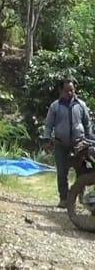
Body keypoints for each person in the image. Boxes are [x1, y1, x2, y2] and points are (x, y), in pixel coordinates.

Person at [44, 78, 93, 208]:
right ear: (61, 91)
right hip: (61, 144)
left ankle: (81, 198)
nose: (70, 93)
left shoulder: (81, 105)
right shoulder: (55, 106)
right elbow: (48, 125)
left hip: (79, 144)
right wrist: (47, 139)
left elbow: (87, 125)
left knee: (82, 171)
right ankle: (64, 199)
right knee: (62, 172)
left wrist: (90, 140)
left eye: (72, 90)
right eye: (67, 91)